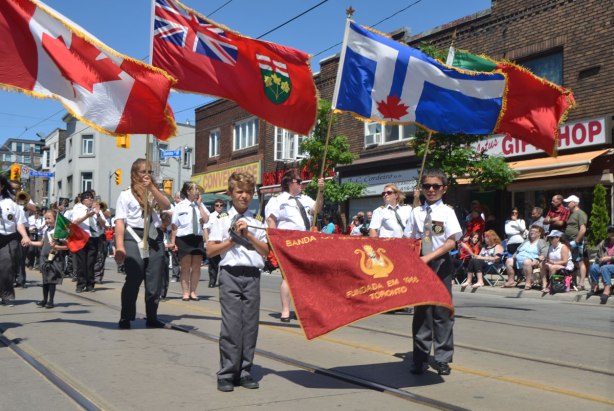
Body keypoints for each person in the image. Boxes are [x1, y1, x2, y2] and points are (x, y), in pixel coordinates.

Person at [207, 171, 269, 392]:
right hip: (231, 275)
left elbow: (266, 251)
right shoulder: (222, 220)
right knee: (232, 326)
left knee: (250, 326)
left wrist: (250, 235)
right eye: (239, 191)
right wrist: (232, 239)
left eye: (248, 192)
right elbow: (211, 250)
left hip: (252, 275)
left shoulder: (257, 220)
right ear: (230, 193)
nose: (244, 196)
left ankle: (244, 371)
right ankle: (226, 373)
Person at [403, 169, 462, 376]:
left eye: (435, 186)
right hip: (420, 265)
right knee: (422, 313)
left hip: (440, 264)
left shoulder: (447, 212)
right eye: (427, 186)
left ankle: (443, 358)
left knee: (441, 311)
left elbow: (452, 241)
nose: (431, 190)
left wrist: (429, 257)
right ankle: (419, 357)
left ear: (443, 189)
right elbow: (407, 239)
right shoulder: (416, 212)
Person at [115, 159, 171, 329]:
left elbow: (167, 205)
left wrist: (152, 188)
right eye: (143, 172)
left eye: (150, 172)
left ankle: (152, 316)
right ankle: (126, 316)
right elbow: (119, 221)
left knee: (154, 280)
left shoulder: (155, 192)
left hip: (154, 236)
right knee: (134, 276)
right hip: (133, 235)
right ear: (134, 174)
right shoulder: (125, 194)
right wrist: (120, 246)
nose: (147, 175)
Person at [265, 170, 323, 322]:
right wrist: (274, 243)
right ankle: (285, 310)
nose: (302, 184)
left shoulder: (305, 198)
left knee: (304, 277)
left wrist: (320, 191)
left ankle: (303, 309)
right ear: (289, 183)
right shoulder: (278, 200)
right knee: (288, 276)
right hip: (287, 242)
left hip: (306, 241)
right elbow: (271, 221)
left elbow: (317, 209)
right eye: (299, 181)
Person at [170, 182, 209, 301]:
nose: (197, 191)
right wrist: (173, 242)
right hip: (183, 239)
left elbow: (206, 219)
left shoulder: (199, 205)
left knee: (196, 266)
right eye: (194, 189)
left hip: (197, 238)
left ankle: (193, 291)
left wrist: (200, 205)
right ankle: (185, 292)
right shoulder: (180, 206)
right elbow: (174, 225)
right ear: (188, 191)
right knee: (185, 266)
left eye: (197, 189)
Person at [0, 176, 30, 306]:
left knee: (7, 268)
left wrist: (25, 236)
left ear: (2, 187)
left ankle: (7, 296)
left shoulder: (11, 203)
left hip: (8, 237)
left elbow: (19, 223)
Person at [30, 210, 67, 309]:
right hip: (44, 258)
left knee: (51, 280)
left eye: (49, 218)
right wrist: (29, 242)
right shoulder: (47, 230)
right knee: (45, 280)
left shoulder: (59, 232)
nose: (47, 220)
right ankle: (44, 299)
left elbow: (68, 247)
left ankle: (51, 300)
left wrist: (57, 247)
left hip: (54, 258)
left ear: (55, 219)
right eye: (45, 218)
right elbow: (41, 243)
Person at [71, 190, 104, 293]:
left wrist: (97, 214)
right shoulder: (78, 208)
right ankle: (81, 284)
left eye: (91, 198)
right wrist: (87, 216)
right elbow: (75, 222)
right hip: (81, 237)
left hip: (93, 238)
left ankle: (90, 284)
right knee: (81, 262)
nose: (90, 199)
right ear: (82, 200)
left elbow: (103, 224)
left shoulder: (96, 209)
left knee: (91, 263)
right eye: (87, 198)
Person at [563, 195, 588, 290]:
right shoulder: (571, 214)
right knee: (572, 262)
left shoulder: (580, 213)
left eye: (569, 202)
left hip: (576, 242)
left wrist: (576, 241)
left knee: (579, 262)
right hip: (569, 242)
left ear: (575, 203)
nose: (567, 204)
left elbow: (583, 229)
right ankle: (573, 282)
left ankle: (581, 284)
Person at [587, 225, 614, 304]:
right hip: (604, 265)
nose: (612, 234)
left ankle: (607, 289)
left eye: (613, 232)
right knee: (593, 267)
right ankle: (595, 287)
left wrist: (610, 258)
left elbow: (608, 259)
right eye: (610, 232)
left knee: (605, 268)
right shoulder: (604, 242)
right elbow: (597, 255)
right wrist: (598, 259)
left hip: (609, 266)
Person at [204, 199, 225, 287]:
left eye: (221, 205)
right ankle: (212, 281)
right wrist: (206, 241)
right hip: (213, 243)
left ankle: (223, 281)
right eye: (217, 205)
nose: (219, 207)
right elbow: (206, 229)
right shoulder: (211, 216)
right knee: (213, 264)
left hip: (224, 242)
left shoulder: (227, 216)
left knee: (224, 263)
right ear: (214, 206)